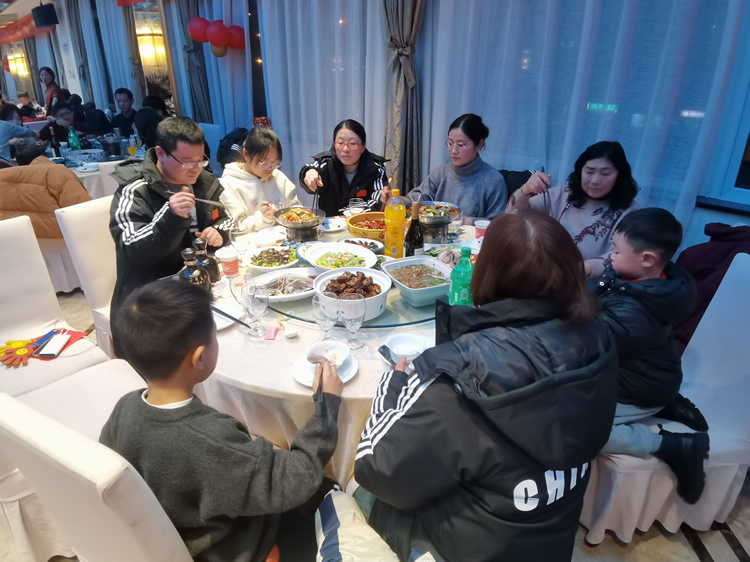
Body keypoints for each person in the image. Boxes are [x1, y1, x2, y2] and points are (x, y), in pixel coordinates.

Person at [355, 210, 618, 562]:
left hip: (463, 549)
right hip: (551, 541)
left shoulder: (462, 375)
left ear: (487, 271)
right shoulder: (600, 336)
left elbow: (378, 472)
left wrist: (393, 385)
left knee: (356, 492)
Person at [100, 279, 343, 561]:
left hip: (182, 528)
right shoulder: (211, 440)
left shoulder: (125, 407)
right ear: (199, 357)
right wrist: (325, 408)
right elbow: (295, 479)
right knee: (328, 491)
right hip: (234, 547)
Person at [592, 208, 709, 504]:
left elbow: (584, 347)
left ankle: (673, 446)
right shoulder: (641, 279)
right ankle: (668, 401)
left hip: (637, 388)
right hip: (641, 371)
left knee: (572, 428)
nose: (611, 256)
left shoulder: (634, 313)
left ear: (647, 259)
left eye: (617, 250)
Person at [109, 116, 234, 313]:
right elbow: (131, 248)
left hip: (199, 287)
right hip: (148, 301)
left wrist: (218, 232)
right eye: (187, 162)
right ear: (161, 153)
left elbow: (226, 220)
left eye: (200, 161)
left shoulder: (204, 183)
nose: (196, 170)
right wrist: (170, 216)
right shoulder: (135, 191)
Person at [507, 140, 639, 277]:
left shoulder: (629, 212)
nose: (595, 180)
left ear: (619, 176)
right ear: (580, 171)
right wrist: (525, 191)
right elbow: (512, 216)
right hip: (543, 272)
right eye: (589, 172)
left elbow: (622, 257)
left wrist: (579, 269)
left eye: (605, 174)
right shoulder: (564, 193)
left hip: (584, 282)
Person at [406, 114, 508, 223]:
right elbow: (419, 198)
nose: (453, 151)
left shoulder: (493, 180)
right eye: (450, 143)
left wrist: (467, 221)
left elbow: (498, 224)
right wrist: (398, 201)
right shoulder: (442, 172)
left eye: (461, 145)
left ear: (479, 144)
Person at [299, 119, 388, 216]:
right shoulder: (326, 163)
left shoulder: (375, 168)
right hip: (329, 224)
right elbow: (312, 169)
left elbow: (378, 201)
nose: (345, 149)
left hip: (362, 223)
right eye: (340, 143)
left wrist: (347, 212)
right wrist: (309, 172)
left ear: (363, 147)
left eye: (352, 144)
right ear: (334, 144)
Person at [219, 127, 301, 232]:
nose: (270, 168)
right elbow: (236, 228)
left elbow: (295, 207)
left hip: (285, 239)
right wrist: (262, 218)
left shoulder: (278, 177)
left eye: (275, 163)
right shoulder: (229, 184)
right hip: (251, 241)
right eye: (264, 163)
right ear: (246, 154)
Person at [0, 145, 90, 238]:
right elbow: (82, 209)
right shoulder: (57, 172)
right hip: (61, 237)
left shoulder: (5, 177)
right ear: (43, 155)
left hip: (15, 238)